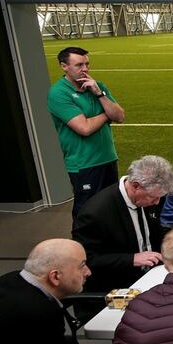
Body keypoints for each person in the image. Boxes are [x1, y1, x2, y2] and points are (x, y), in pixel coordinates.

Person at [72, 155, 173, 293]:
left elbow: (152, 230)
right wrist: (132, 259)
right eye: (153, 197)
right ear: (135, 186)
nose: (157, 203)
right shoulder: (95, 213)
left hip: (153, 275)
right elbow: (88, 259)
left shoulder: (148, 196)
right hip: (118, 286)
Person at [47, 46, 126, 220]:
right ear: (64, 66)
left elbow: (120, 116)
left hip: (108, 159)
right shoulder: (58, 93)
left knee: (110, 209)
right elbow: (84, 128)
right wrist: (107, 114)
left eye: (87, 64)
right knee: (87, 213)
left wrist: (99, 93)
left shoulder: (98, 86)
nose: (85, 69)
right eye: (79, 65)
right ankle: (81, 247)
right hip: (84, 164)